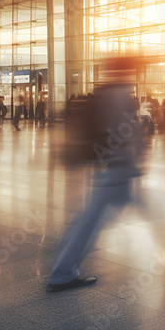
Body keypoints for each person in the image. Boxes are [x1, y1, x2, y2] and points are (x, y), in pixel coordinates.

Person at [46, 58, 144, 293]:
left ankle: (64, 264)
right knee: (90, 220)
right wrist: (129, 162)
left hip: (108, 166)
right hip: (115, 167)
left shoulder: (106, 92)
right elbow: (123, 131)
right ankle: (62, 273)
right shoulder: (120, 94)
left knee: (89, 217)